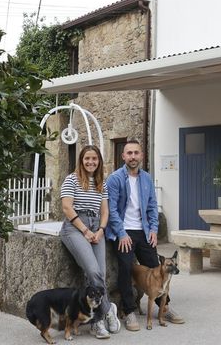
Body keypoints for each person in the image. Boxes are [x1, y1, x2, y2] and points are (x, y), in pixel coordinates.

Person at [106, 140, 185, 331]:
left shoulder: (146, 179)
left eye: (136, 153)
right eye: (129, 153)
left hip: (143, 230)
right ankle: (130, 310)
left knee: (156, 268)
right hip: (123, 230)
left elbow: (151, 206)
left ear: (141, 156)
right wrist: (122, 233)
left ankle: (164, 306)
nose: (133, 156)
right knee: (126, 268)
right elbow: (112, 210)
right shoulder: (115, 178)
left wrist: (153, 230)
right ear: (123, 156)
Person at [59, 145, 120, 339]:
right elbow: (67, 208)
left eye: (94, 159)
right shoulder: (71, 179)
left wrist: (101, 230)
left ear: (99, 161)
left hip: (96, 229)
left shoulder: (102, 183)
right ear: (81, 160)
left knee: (99, 274)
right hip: (75, 228)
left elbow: (105, 211)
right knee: (93, 271)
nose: (91, 162)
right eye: (87, 158)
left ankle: (99, 317)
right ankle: (106, 312)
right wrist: (85, 230)